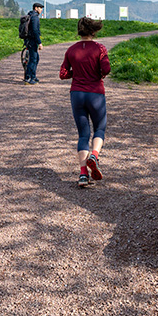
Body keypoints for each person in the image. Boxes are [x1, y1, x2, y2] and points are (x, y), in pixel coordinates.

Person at [59, 16, 111, 188]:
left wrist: (77, 72)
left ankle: (83, 175)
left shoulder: (71, 50)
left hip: (77, 94)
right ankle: (94, 156)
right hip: (95, 93)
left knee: (83, 134)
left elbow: (63, 74)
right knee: (100, 128)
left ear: (79, 31)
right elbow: (106, 69)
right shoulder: (99, 48)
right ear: (94, 31)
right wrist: (96, 72)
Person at [23, 3, 44, 84]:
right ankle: (29, 78)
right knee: (33, 59)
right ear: (36, 8)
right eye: (40, 8)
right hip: (32, 40)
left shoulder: (30, 15)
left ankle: (33, 76)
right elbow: (35, 31)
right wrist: (40, 43)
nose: (41, 10)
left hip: (28, 40)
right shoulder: (34, 17)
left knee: (35, 58)